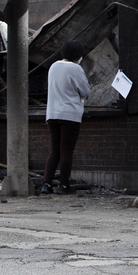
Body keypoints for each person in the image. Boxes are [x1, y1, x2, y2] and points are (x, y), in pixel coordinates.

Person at [41, 40, 90, 195]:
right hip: (69, 115)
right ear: (78, 55)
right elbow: (85, 91)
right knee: (67, 151)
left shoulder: (53, 66)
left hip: (52, 114)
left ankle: (46, 184)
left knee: (55, 151)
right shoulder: (75, 68)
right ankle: (63, 185)